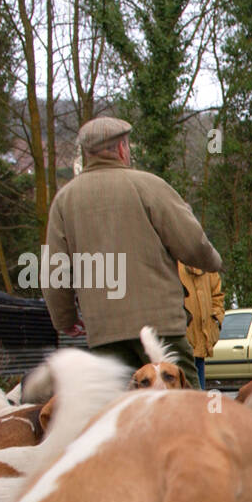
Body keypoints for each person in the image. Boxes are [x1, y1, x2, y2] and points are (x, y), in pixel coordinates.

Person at [44, 115, 221, 388]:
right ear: (121, 148)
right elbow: (193, 245)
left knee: (122, 416)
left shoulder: (64, 201)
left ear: (86, 153)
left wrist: (65, 319)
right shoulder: (149, 186)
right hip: (160, 327)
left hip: (104, 331)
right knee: (187, 411)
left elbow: (55, 273)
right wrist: (213, 261)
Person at [179, 261, 224, 390]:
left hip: (200, 345)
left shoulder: (207, 263)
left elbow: (217, 296)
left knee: (197, 397)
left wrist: (216, 319)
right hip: (180, 343)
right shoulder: (171, 262)